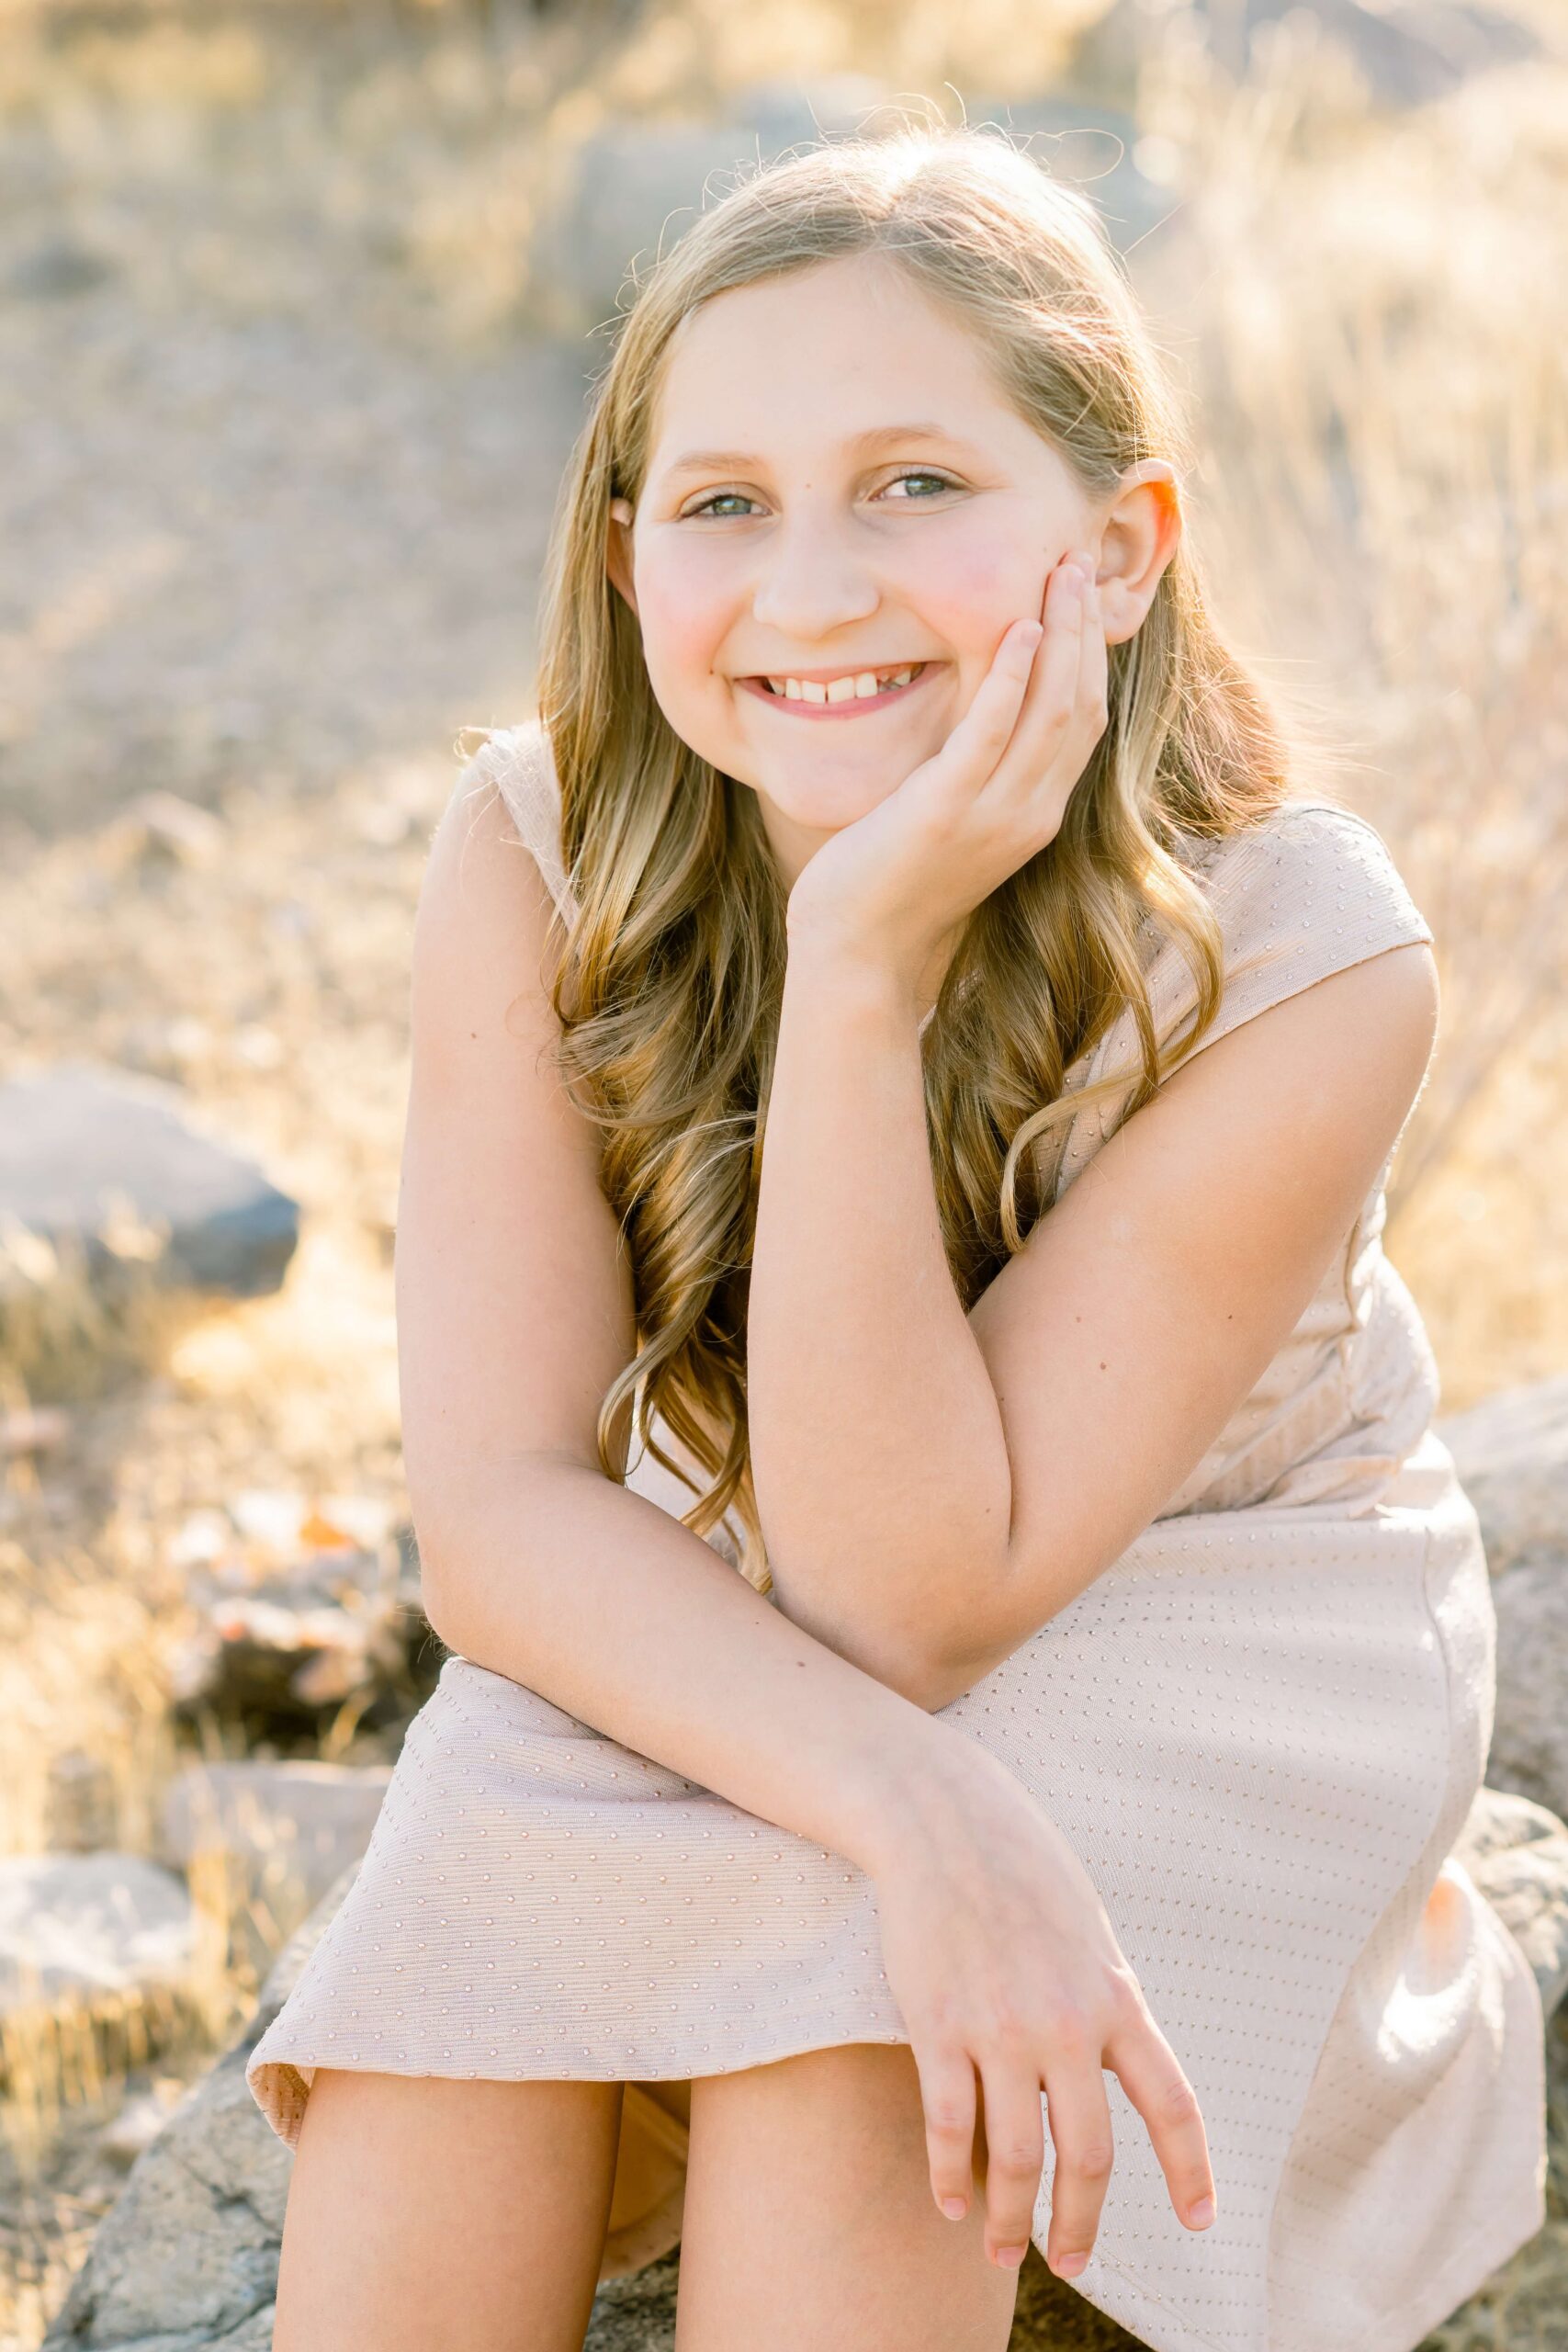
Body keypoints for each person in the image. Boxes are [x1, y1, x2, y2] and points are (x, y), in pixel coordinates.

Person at [248, 123, 1546, 2352]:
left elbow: (909, 1593)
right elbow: (496, 1515)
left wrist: (856, 977)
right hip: (778, 1563)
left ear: (1120, 547)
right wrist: (915, 1807)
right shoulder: (538, 839)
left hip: (1205, 1602)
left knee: (858, 2041)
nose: (814, 585)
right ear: (628, 545)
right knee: (486, 1832)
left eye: (916, 485)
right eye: (723, 500)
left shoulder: (1301, 939)